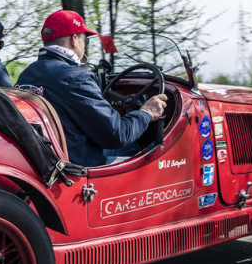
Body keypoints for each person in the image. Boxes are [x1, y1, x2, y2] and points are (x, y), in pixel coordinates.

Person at [16, 10, 167, 166]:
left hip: (44, 159)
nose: (85, 46)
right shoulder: (76, 78)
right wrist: (146, 112)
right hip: (78, 165)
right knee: (136, 148)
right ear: (75, 40)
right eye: (85, 40)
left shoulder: (27, 74)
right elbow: (119, 135)